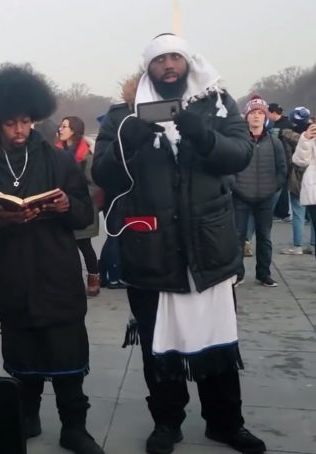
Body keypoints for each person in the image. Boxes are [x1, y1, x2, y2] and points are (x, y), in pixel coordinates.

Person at [92, 34, 266, 454]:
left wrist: (203, 136)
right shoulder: (123, 116)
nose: (168, 65)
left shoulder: (217, 105)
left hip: (208, 246)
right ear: (147, 67)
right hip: (151, 249)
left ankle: (226, 422)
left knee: (218, 340)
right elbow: (102, 174)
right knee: (158, 348)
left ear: (188, 62)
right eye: (159, 60)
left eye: (175, 57)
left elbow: (241, 155)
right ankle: (167, 423)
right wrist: (130, 141)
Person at [0, 64, 103, 453]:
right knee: (22, 355)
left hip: (57, 274)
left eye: (24, 121)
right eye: (10, 123)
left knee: (68, 354)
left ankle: (74, 427)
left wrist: (67, 205)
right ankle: (27, 418)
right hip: (12, 276)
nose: (19, 130)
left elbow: (85, 214)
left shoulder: (58, 160)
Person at [232, 96, 287, 287]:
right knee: (238, 237)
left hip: (265, 197)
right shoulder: (238, 142)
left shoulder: (275, 143)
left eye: (260, 113)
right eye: (253, 113)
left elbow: (282, 169)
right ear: (246, 116)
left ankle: (264, 274)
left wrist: (273, 188)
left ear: (265, 117)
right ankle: (237, 274)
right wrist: (236, 187)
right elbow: (230, 168)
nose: (256, 116)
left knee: (265, 237)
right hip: (240, 196)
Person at [56, 116, 101, 296]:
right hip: (61, 207)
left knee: (84, 245)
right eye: (61, 126)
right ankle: (71, 282)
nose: (60, 129)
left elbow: (93, 184)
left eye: (64, 126)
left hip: (82, 207)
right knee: (65, 247)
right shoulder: (56, 153)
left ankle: (93, 277)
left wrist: (76, 198)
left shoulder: (86, 155)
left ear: (73, 130)